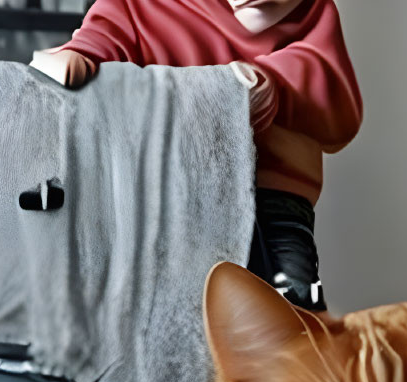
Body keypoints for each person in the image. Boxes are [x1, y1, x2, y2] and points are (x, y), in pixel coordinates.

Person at [31, 0, 362, 311]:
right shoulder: (137, 7)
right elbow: (103, 41)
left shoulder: (312, 11)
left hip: (272, 199)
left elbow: (336, 98)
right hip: (166, 197)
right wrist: (77, 57)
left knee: (292, 309)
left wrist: (271, 81)